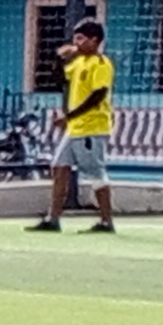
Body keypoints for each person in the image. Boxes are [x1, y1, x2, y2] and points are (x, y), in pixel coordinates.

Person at [32, 18, 118, 234]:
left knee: (95, 173)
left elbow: (98, 96)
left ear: (94, 40)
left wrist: (69, 116)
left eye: (81, 39)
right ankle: (53, 218)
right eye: (75, 38)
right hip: (75, 129)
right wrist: (59, 58)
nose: (76, 43)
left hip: (91, 128)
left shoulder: (101, 63)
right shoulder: (79, 63)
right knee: (59, 166)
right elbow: (59, 79)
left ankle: (106, 221)